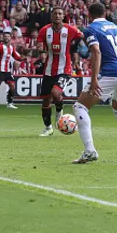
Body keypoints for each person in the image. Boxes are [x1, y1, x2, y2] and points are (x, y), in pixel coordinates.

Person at [70, 2, 117, 164]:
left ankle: (89, 151)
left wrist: (94, 79)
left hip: (111, 72)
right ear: (105, 13)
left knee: (80, 107)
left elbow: (96, 51)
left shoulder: (90, 29)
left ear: (89, 14)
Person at [37, 7, 83, 136]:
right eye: (55, 13)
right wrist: (41, 50)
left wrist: (76, 50)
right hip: (48, 69)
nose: (57, 15)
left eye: (60, 13)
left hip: (65, 68)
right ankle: (48, 128)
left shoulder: (70, 29)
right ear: (51, 16)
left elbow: (82, 36)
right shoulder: (44, 30)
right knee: (46, 101)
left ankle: (59, 113)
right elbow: (39, 43)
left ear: (63, 16)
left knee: (55, 92)